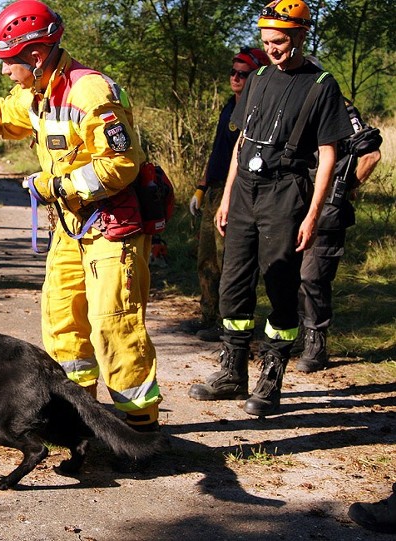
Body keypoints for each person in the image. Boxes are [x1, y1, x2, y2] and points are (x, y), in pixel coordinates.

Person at [0, 0, 162, 431]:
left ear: (34, 56)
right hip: (70, 227)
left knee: (114, 326)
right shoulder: (36, 93)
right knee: (62, 322)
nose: (4, 71)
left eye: (9, 62)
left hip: (110, 227)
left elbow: (122, 164)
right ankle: (81, 416)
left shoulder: (90, 92)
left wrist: (55, 186)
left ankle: (139, 426)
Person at [188, 0, 353, 417]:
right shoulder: (259, 77)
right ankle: (232, 372)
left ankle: (272, 376)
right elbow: (240, 143)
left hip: (286, 194)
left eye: (279, 42)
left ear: (300, 36)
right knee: (233, 285)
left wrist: (313, 213)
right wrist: (225, 197)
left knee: (280, 284)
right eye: (266, 42)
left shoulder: (322, 85)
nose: (272, 49)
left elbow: (329, 153)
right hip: (244, 190)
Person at [186, 47, 269, 343]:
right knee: (206, 258)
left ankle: (227, 320)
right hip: (215, 190)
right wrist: (201, 187)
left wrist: (230, 197)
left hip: (236, 194)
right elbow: (217, 152)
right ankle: (207, 316)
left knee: (228, 260)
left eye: (242, 73)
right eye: (233, 72)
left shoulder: (258, 109)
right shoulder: (228, 107)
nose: (235, 77)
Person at [295, 92, 382, 372]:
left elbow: (371, 153)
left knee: (313, 277)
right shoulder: (291, 101)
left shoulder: (339, 108)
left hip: (327, 210)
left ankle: (315, 343)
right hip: (295, 202)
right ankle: (297, 335)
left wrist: (346, 188)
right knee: (291, 273)